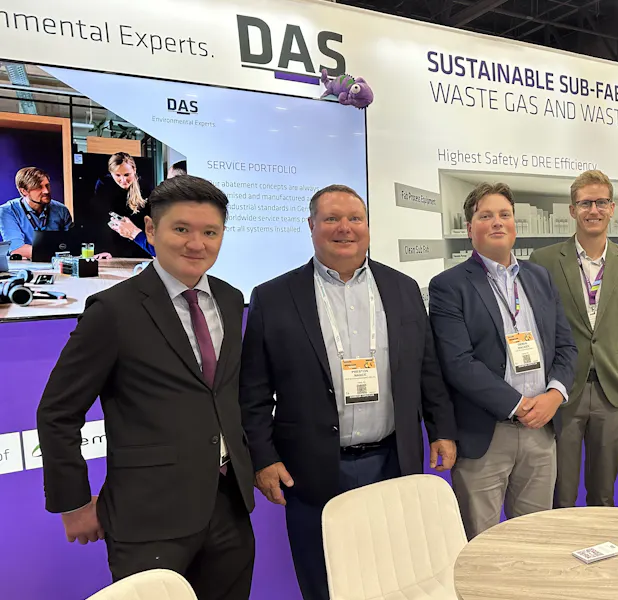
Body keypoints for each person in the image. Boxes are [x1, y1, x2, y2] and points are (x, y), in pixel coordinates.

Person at [35, 175, 256, 600]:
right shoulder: (113, 310)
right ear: (151, 230)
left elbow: (222, 395)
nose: (197, 243)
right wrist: (74, 502)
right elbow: (57, 412)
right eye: (181, 229)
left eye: (210, 232)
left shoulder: (230, 299)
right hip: (148, 517)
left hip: (228, 504)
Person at [239, 184, 457, 600]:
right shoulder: (273, 297)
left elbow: (427, 368)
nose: (345, 228)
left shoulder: (403, 288)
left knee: (394, 574)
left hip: (393, 461)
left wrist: (442, 428)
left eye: (355, 219)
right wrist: (263, 459)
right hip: (312, 470)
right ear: (311, 226)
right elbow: (253, 391)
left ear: (368, 226)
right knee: (324, 580)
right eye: (332, 219)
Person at [429, 182, 577, 539]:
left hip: (541, 430)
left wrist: (553, 397)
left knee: (537, 537)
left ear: (515, 225)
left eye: (504, 215)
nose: (497, 222)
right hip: (486, 434)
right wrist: (519, 404)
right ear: (469, 228)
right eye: (486, 215)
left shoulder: (539, 277)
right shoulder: (449, 285)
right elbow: (458, 362)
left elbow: (565, 346)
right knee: (481, 541)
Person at [528, 170, 618, 507]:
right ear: (572, 210)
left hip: (615, 394)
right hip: (564, 390)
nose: (593, 210)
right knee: (562, 489)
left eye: (601, 202)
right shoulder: (544, 261)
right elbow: (538, 329)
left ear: (612, 208)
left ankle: (602, 552)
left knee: (604, 491)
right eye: (585, 203)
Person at [88, 152, 155, 257]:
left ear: (134, 170)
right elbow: (99, 219)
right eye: (118, 175)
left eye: (127, 175)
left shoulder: (146, 188)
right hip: (114, 246)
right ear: (111, 173)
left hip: (140, 244)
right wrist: (103, 248)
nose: (123, 180)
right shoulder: (104, 185)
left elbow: (151, 221)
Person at [0, 167, 73, 259]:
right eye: (39, 187)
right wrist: (59, 253)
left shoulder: (61, 210)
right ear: (24, 191)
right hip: (23, 266)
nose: (46, 191)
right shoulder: (7, 211)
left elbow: (72, 244)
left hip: (57, 264)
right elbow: (17, 249)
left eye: (47, 185)